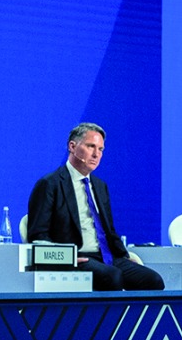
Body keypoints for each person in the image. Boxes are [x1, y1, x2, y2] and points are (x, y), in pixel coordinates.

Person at [26, 122, 164, 291]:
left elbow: (109, 231)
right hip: (77, 258)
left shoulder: (100, 186)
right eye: (91, 146)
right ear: (72, 146)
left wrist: (124, 256)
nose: (96, 154)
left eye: (100, 149)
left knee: (153, 280)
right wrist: (65, 257)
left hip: (107, 257)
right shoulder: (49, 184)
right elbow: (38, 234)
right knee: (112, 277)